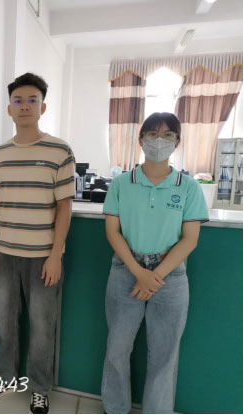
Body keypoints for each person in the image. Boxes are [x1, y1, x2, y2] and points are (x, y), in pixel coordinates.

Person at [0, 73, 75, 414]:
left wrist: (56, 254)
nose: (24, 106)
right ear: (9, 108)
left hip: (42, 257)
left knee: (42, 327)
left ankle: (39, 388)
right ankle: (5, 378)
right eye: (17, 100)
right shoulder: (0, 154)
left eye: (32, 100)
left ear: (42, 107)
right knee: (3, 322)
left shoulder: (60, 151)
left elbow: (65, 207)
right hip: (4, 253)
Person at [101, 112, 209, 413]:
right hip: (126, 271)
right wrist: (139, 273)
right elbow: (112, 232)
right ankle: (115, 408)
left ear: (177, 141)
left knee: (164, 354)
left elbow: (190, 239)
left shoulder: (188, 187)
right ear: (141, 140)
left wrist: (155, 276)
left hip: (170, 277)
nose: (159, 141)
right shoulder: (122, 183)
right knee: (117, 348)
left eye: (168, 135)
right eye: (152, 134)